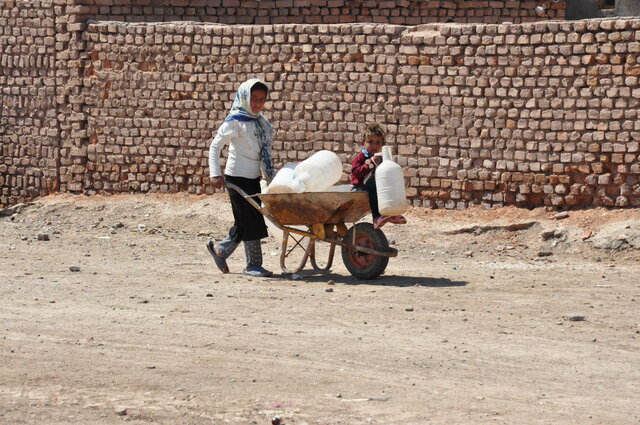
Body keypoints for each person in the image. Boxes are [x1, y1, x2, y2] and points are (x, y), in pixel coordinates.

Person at [206, 78, 276, 277]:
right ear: (245, 97)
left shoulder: (260, 122)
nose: (257, 103)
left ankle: (221, 250)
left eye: (261, 100)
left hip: (253, 178)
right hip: (236, 178)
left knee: (247, 220)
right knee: (249, 221)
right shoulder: (235, 121)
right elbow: (215, 146)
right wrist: (215, 173)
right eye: (253, 98)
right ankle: (252, 265)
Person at [350, 123, 406, 230]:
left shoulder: (382, 158)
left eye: (377, 142)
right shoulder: (361, 157)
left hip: (373, 187)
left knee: (389, 188)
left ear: (382, 144)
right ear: (363, 143)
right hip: (360, 187)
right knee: (374, 189)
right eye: (370, 142)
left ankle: (393, 213)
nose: (374, 146)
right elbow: (355, 173)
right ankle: (376, 218)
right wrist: (369, 164)